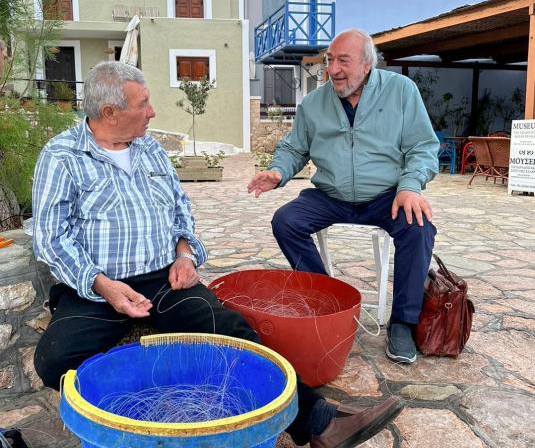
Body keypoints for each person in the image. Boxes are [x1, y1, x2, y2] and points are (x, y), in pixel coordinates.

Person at [32, 61, 402, 448]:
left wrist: (185, 255)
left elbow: (181, 211)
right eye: (143, 104)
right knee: (53, 360)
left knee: (233, 333)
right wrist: (102, 285)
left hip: (165, 278)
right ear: (109, 112)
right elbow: (50, 237)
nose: (152, 112)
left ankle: (321, 423)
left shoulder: (150, 149)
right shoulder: (62, 156)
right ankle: (139, 415)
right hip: (97, 286)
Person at [248, 28, 439, 365]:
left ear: (367, 65)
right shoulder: (314, 103)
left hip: (385, 194)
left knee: (418, 227)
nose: (333, 69)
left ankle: (403, 322)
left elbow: (422, 147)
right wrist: (278, 172)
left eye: (343, 61)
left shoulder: (401, 92)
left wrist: (410, 185)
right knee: (286, 221)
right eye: (330, 60)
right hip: (331, 194)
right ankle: (329, 299)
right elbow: (294, 148)